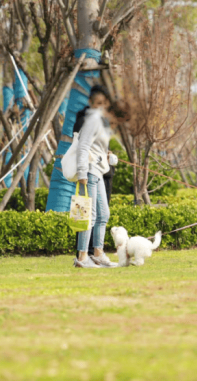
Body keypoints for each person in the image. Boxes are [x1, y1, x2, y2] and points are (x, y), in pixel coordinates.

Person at [73, 85, 119, 268]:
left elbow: (96, 147)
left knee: (103, 213)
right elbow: (83, 145)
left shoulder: (101, 121)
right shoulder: (92, 119)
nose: (101, 106)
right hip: (90, 171)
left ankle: (98, 254)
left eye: (103, 103)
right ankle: (82, 257)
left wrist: (107, 156)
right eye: (98, 103)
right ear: (91, 103)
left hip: (98, 170)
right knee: (89, 215)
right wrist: (82, 172)